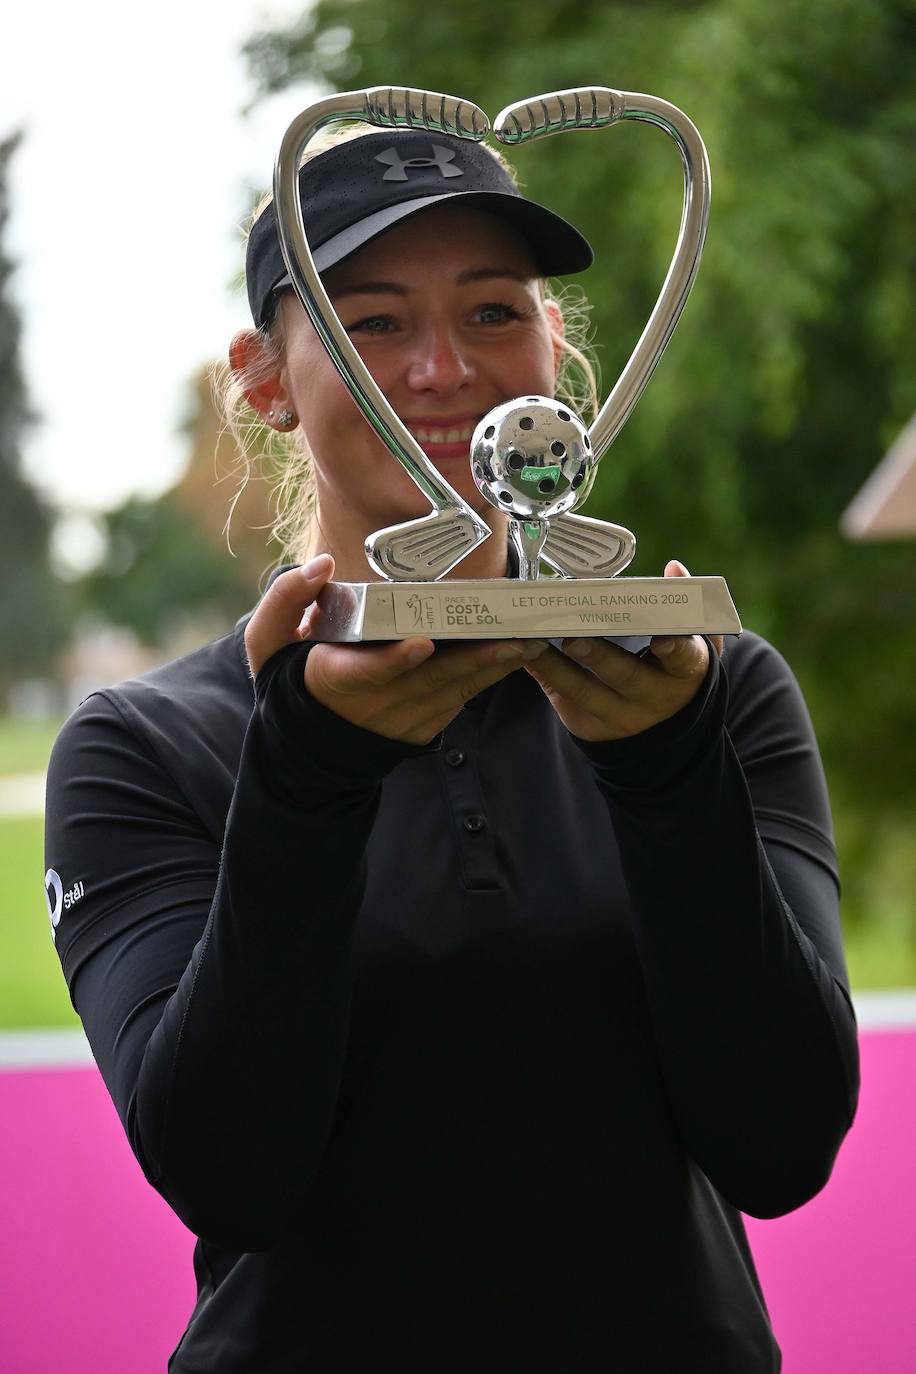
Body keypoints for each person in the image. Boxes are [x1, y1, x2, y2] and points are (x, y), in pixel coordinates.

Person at [45, 127, 859, 1372]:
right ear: (263, 378)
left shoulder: (714, 693)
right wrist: (307, 779)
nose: (440, 368)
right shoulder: (146, 743)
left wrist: (667, 772)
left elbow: (779, 1141)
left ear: (555, 361)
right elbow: (229, 1171)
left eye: (492, 312)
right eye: (371, 323)